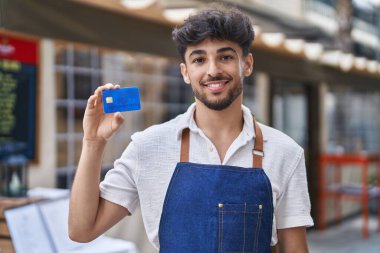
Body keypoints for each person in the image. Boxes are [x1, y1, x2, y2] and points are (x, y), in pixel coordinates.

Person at [69, 5, 313, 253]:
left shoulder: (286, 152)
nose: (212, 70)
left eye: (225, 57)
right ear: (185, 72)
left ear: (247, 64)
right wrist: (93, 142)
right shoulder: (148, 146)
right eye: (199, 59)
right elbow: (82, 229)